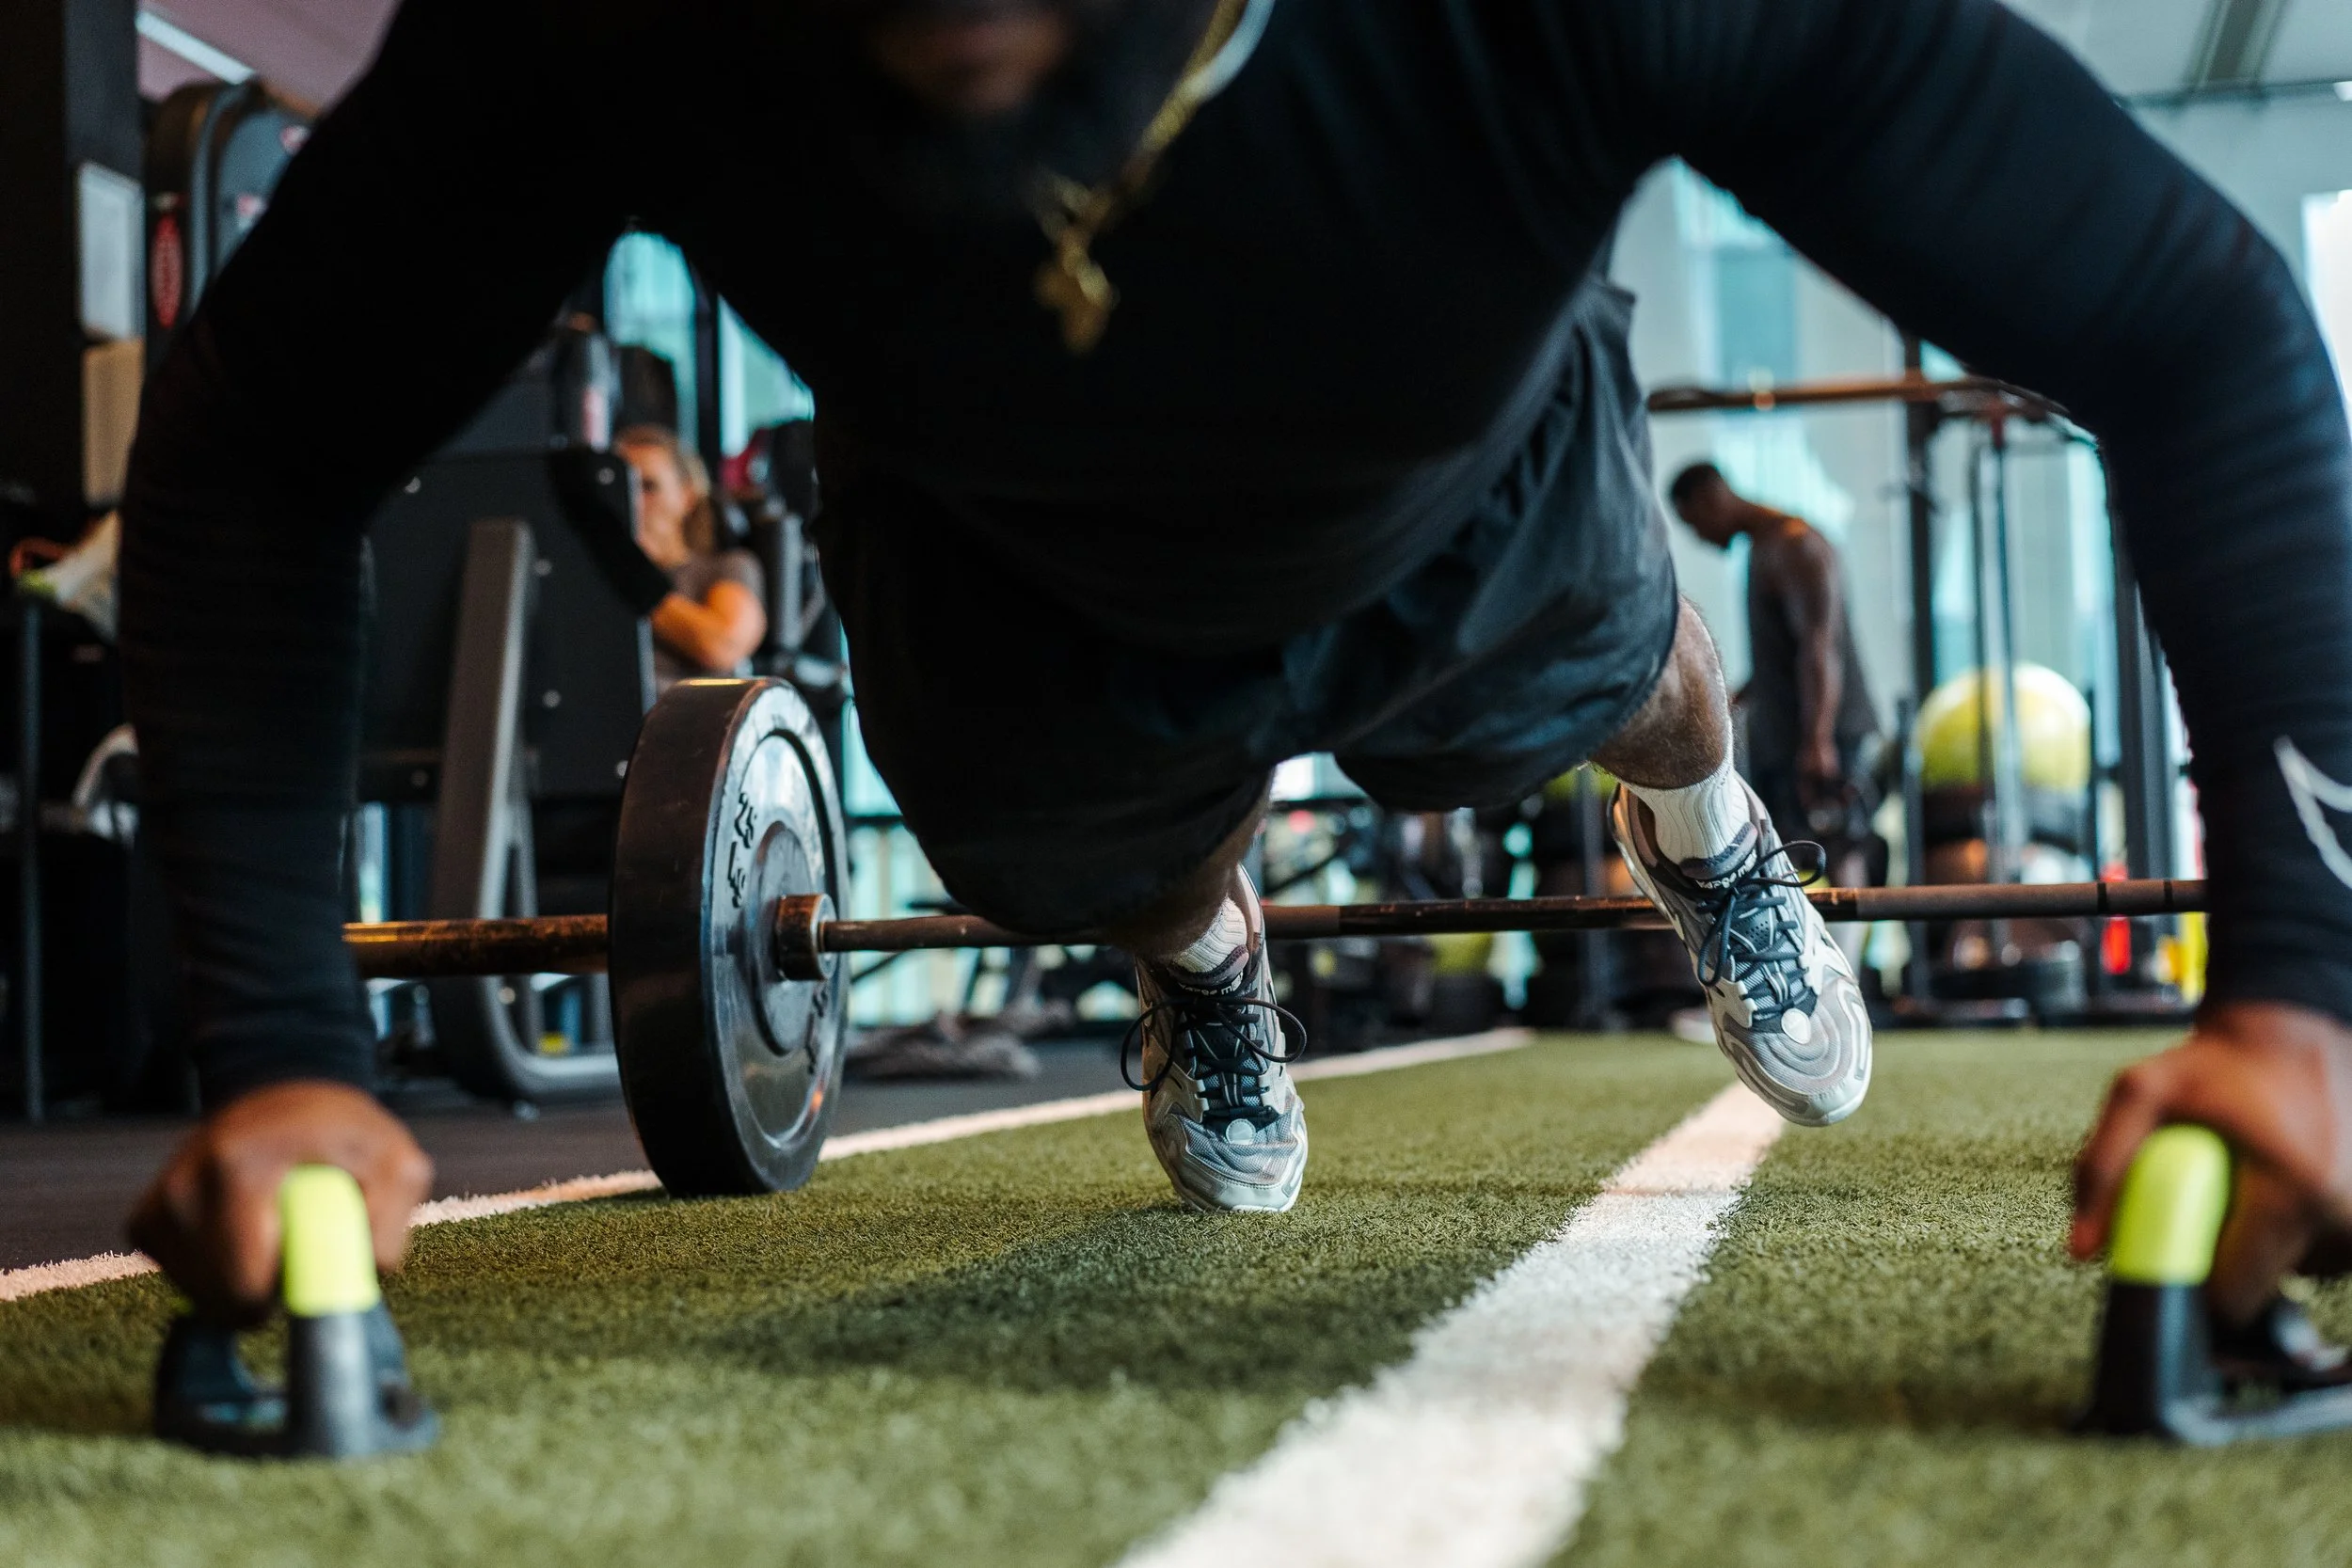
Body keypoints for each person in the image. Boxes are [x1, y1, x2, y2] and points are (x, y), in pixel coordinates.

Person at [117, 0, 2352, 1348]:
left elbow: (2200, 331)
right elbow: (251, 452)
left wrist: (2305, 1003)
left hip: (1470, 488)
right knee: (1101, 856)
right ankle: (1210, 962)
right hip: (1018, 582)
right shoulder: (609, 27)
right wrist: (288, 1061)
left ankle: (1717, 840)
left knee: (1625, 682)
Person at [1669, 463, 1880, 849]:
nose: (1699, 538)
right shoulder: (1764, 547)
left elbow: (1818, 647)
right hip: (1791, 736)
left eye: (1694, 523)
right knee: (1791, 851)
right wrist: (1730, 700)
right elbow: (1784, 653)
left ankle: (1851, 913)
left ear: (1710, 498)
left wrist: (1818, 741)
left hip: (1819, 735)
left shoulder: (1797, 546)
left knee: (1838, 846)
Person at [613, 424, 769, 689]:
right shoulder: (594, 571)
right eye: (623, 488)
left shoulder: (728, 567)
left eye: (648, 487)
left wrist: (630, 569)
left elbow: (722, 645)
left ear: (686, 495)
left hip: (680, 720)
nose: (634, 501)